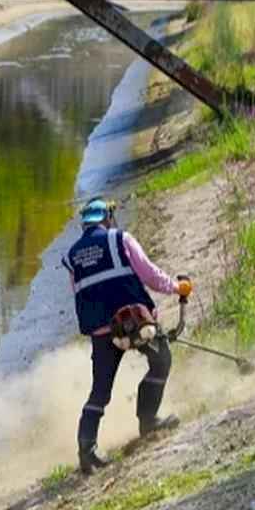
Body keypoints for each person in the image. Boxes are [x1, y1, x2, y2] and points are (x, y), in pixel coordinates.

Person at [61, 197, 193, 474]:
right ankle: (148, 421)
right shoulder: (120, 238)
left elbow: (80, 293)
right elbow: (150, 275)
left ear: (85, 224)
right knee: (161, 361)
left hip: (102, 331)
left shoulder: (72, 256)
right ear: (107, 217)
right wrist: (177, 287)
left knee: (100, 390)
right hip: (135, 321)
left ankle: (86, 451)